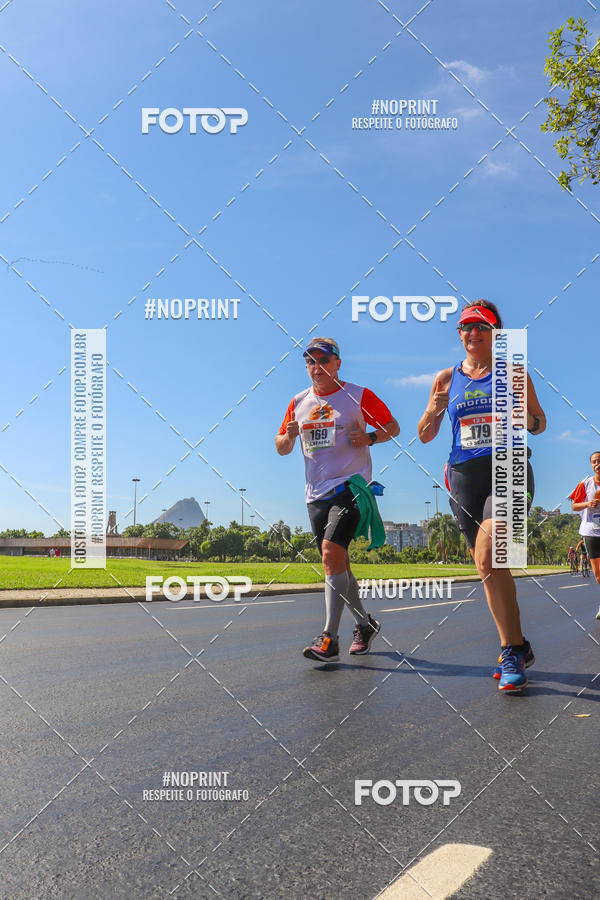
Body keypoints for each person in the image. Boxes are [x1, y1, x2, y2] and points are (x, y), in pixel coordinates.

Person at [417, 300, 546, 692]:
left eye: (481, 326)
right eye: (465, 327)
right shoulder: (445, 378)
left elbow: (539, 424)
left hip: (508, 467)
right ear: (459, 334)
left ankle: (510, 652)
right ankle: (518, 645)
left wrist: (524, 416)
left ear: (495, 333)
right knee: (488, 566)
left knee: (491, 552)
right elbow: (424, 435)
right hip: (463, 477)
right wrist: (433, 411)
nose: (472, 333)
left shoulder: (513, 373)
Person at [276, 337, 399, 662]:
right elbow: (281, 446)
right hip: (315, 494)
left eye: (323, 361)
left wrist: (370, 437)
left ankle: (329, 638)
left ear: (337, 363)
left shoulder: (358, 395)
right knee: (338, 564)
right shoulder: (298, 402)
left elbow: (393, 427)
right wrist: (288, 436)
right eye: (310, 362)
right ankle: (364, 624)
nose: (317, 367)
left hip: (352, 487)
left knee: (331, 554)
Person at [569, 452, 600, 617]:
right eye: (594, 461)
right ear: (591, 465)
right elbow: (574, 506)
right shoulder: (585, 484)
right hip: (590, 532)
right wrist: (588, 503)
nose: (597, 464)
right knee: (598, 574)